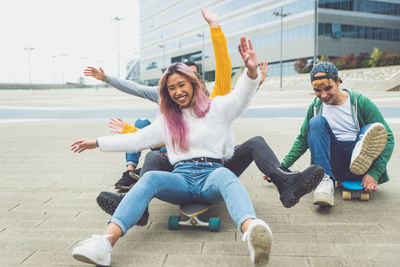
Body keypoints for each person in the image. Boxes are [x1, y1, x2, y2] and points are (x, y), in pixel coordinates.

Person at [70, 36, 273, 266]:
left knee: (226, 176)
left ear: (193, 83)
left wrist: (251, 72)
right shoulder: (168, 121)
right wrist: (97, 142)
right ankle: (104, 244)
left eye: (181, 85)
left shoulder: (218, 108)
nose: (177, 92)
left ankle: (253, 232)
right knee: (150, 179)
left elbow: (241, 96)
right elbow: (137, 139)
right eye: (171, 88)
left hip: (212, 176)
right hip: (181, 179)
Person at [83, 9, 232, 190]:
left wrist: (215, 28)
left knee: (151, 149)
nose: (181, 89)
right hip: (163, 142)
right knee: (142, 124)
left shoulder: (209, 100)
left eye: (191, 78)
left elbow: (225, 77)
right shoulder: (164, 93)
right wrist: (106, 78)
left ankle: (140, 173)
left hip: (184, 152)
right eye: (178, 82)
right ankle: (131, 172)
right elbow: (135, 91)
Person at [281, 61, 394, 207]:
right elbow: (303, 140)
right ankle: (324, 181)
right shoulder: (315, 107)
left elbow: (388, 137)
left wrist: (374, 173)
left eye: (328, 88)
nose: (323, 95)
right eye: (317, 90)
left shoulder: (360, 102)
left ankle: (359, 158)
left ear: (338, 81)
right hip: (332, 165)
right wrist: (282, 168)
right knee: (316, 122)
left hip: (360, 165)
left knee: (374, 129)